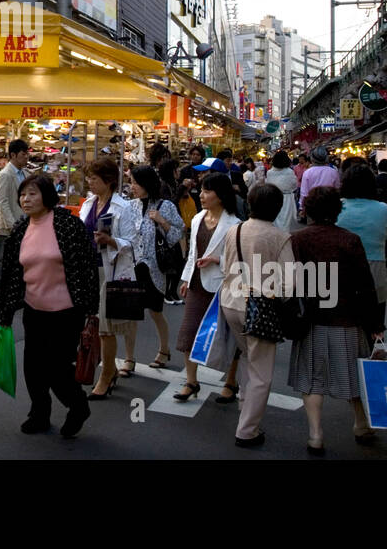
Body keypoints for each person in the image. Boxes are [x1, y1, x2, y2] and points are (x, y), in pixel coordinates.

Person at [0, 173, 99, 438]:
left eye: (32, 193)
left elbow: (87, 266)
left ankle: (77, 405)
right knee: (33, 367)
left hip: (66, 311)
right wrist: (6, 309)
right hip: (34, 309)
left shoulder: (67, 224)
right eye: (22, 194)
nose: (26, 199)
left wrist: (90, 307)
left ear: (47, 196)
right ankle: (39, 413)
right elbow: (11, 272)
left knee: (58, 369)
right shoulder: (20, 228)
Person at [288, 186, 384, 453]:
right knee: (354, 376)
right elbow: (365, 286)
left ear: (307, 209)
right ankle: (361, 424)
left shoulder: (298, 239)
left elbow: (291, 281)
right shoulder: (349, 240)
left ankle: (316, 435)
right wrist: (375, 325)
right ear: (337, 211)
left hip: (310, 319)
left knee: (311, 379)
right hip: (347, 319)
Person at [218, 183, 295, 448]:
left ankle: (245, 406)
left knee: (248, 358)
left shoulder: (234, 229)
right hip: (261, 306)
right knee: (261, 370)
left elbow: (225, 267)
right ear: (278, 207)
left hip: (231, 301)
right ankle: (247, 430)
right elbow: (289, 282)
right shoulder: (279, 236)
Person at [174, 172, 241, 402]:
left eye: (207, 191)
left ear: (220, 196)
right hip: (197, 283)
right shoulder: (197, 219)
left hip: (223, 286)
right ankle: (191, 382)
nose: (201, 195)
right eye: (201, 190)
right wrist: (186, 278)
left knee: (226, 336)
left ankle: (231, 382)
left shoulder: (234, 225)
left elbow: (239, 260)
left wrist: (217, 260)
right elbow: (193, 253)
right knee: (188, 333)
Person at [80, 157, 138, 399]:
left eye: (94, 178)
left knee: (106, 326)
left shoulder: (123, 208)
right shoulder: (88, 204)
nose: (90, 183)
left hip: (110, 269)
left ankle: (107, 374)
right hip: (88, 268)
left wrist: (111, 241)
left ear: (109, 181)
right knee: (92, 321)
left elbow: (134, 243)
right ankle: (107, 370)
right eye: (89, 178)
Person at [125, 165, 183, 370]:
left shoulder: (165, 206)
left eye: (135, 183)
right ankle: (129, 359)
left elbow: (177, 235)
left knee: (155, 311)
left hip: (154, 267)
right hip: (132, 265)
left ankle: (164, 350)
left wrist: (162, 222)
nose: (132, 187)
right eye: (131, 182)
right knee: (130, 314)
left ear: (146, 184)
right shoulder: (129, 206)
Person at [337, 163, 387, 333]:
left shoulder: (338, 206)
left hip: (342, 269)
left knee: (344, 324)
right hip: (374, 270)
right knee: (374, 327)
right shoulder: (383, 209)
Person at [0, 138, 29, 302]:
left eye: (27, 154)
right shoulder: (5, 175)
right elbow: (3, 202)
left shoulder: (25, 174)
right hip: (8, 226)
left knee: (15, 260)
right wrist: (12, 224)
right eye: (23, 154)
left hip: (22, 223)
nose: (26, 157)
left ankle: (10, 290)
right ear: (13, 155)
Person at [299, 146, 341, 218]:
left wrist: (302, 208)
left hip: (312, 207)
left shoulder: (308, 172)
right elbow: (337, 189)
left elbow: (304, 193)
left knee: (313, 228)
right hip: (330, 205)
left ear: (312, 159)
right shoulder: (333, 172)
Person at [266, 150, 300, 232]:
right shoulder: (289, 172)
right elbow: (294, 185)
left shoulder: (269, 172)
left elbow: (268, 185)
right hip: (287, 199)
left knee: (276, 220)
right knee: (286, 222)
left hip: (273, 198)